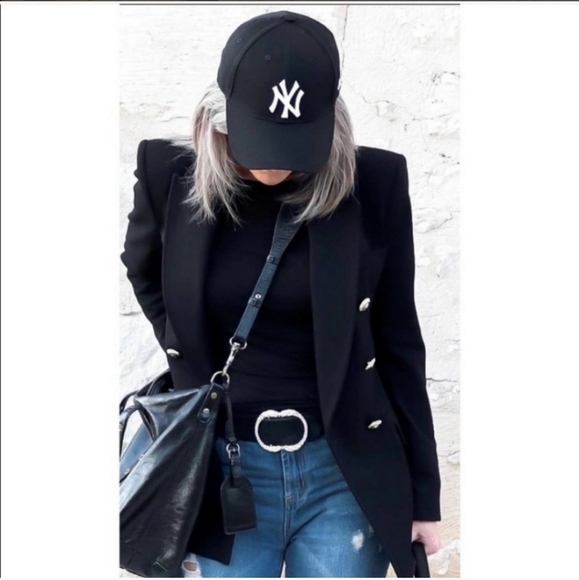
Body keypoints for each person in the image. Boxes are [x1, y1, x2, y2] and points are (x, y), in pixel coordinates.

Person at [120, 9, 442, 578]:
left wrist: (424, 494)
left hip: (342, 474)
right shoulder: (168, 174)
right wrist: (188, 346)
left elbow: (398, 340)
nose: (273, 161)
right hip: (224, 472)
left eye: (293, 143)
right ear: (219, 111)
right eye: (258, 138)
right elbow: (142, 269)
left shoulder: (376, 184)